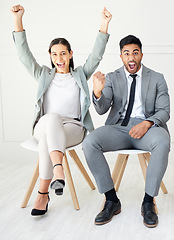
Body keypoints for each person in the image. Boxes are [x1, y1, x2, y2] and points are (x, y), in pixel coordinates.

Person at [11, 4, 111, 216]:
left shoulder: (80, 75)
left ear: (70, 54)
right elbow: (23, 55)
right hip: (44, 126)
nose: (59, 59)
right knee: (51, 119)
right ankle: (58, 170)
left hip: (73, 129)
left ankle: (42, 193)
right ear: (50, 56)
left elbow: (96, 55)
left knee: (50, 134)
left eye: (63, 53)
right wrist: (18, 20)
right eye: (55, 54)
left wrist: (104, 24)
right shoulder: (43, 75)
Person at [82, 35, 170, 228]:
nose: (131, 57)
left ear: (141, 55)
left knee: (162, 141)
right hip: (119, 127)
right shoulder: (113, 77)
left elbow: (164, 111)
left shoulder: (157, 78)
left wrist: (147, 123)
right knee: (89, 143)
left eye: (135, 53)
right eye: (127, 53)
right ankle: (111, 200)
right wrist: (97, 92)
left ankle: (148, 203)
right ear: (121, 56)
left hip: (148, 129)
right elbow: (102, 109)